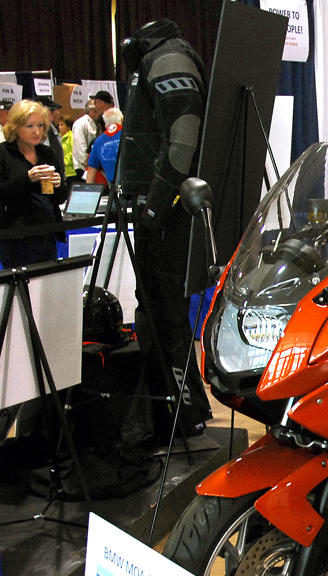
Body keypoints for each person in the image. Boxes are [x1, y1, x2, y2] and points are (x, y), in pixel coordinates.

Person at [118, 18, 214, 437]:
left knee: (165, 312)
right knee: (156, 309)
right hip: (157, 206)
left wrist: (156, 206)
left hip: (165, 211)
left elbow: (183, 136)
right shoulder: (162, 54)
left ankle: (182, 417)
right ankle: (175, 415)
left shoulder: (168, 56)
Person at [0, 99, 67, 269]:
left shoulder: (46, 153)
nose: (37, 131)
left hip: (46, 233)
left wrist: (57, 186)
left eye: (40, 126)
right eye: (30, 126)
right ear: (16, 127)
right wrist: (27, 178)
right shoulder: (1, 152)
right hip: (17, 236)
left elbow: (59, 198)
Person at [71, 90, 112, 175]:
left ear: (102, 103)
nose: (96, 106)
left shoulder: (100, 122)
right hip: (86, 169)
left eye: (96, 102)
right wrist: (90, 165)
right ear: (92, 111)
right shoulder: (81, 124)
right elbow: (81, 149)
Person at [85, 107, 123, 185]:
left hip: (114, 189)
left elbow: (91, 171)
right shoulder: (129, 136)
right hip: (137, 189)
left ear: (106, 125)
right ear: (122, 120)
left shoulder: (98, 141)